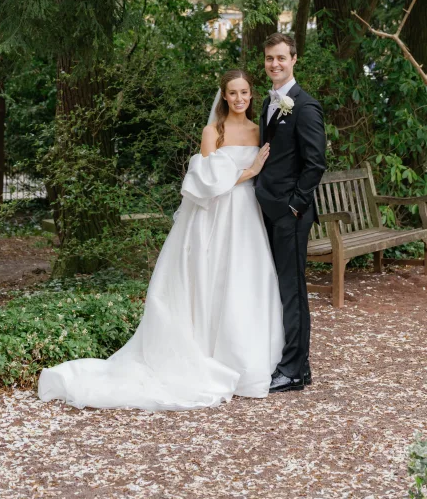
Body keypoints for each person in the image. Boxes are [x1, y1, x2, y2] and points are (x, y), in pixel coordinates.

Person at [37, 69, 284, 410]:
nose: (240, 98)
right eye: (233, 93)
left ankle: (244, 359)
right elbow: (204, 182)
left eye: (244, 92)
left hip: (245, 216)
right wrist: (250, 172)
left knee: (243, 280)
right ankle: (209, 354)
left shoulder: (259, 131)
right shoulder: (212, 132)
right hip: (215, 215)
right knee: (210, 279)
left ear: (251, 94)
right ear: (224, 96)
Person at [255, 32, 327, 393]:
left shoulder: (305, 106)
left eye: (281, 58)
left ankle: (294, 371)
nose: (275, 64)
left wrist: (295, 207)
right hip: (267, 210)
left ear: (294, 59)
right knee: (278, 289)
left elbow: (315, 164)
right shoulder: (268, 104)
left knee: (292, 290)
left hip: (289, 214)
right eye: (269, 58)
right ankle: (301, 364)